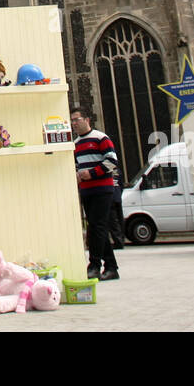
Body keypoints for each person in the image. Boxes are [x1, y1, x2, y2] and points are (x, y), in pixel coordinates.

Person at [71, 107, 119, 281]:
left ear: (87, 120)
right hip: (87, 189)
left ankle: (94, 265)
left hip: (102, 188)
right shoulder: (75, 144)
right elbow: (76, 165)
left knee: (97, 227)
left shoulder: (100, 138)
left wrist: (91, 173)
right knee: (97, 227)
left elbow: (112, 161)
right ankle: (112, 267)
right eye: (72, 121)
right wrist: (77, 174)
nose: (74, 123)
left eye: (77, 119)